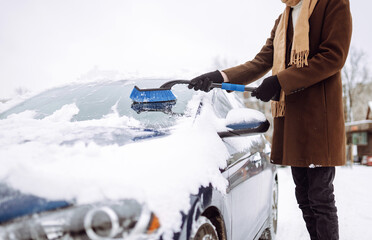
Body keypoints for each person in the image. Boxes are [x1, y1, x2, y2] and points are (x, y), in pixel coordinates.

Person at [188, 0, 352, 239]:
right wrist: (220, 76)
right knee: (305, 199)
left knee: (320, 199)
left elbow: (334, 56)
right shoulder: (283, 18)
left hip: (320, 118)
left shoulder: (332, 3)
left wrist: (281, 81)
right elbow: (262, 62)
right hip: (292, 119)